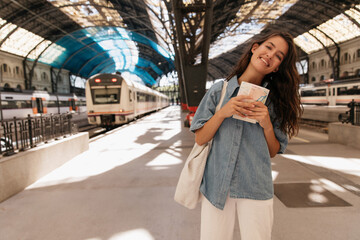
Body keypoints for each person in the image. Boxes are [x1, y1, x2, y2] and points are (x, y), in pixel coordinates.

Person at [189, 30, 302, 240]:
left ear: (278, 66)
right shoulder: (218, 91)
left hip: (255, 186)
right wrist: (223, 112)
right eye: (269, 47)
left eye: (279, 56)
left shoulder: (274, 102)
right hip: (217, 185)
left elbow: (273, 152)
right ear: (255, 48)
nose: (271, 55)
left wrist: (266, 123)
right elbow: (200, 138)